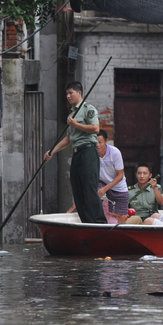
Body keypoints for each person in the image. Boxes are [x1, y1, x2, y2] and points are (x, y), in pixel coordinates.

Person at [44, 81, 106, 224]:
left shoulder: (88, 109)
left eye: (71, 93)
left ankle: (99, 222)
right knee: (77, 188)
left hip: (88, 152)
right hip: (77, 153)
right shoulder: (72, 114)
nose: (68, 96)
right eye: (67, 93)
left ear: (79, 93)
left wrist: (76, 124)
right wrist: (52, 151)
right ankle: (86, 222)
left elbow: (95, 129)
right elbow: (69, 138)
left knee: (89, 187)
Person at [96, 130, 129, 223]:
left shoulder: (115, 153)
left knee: (121, 217)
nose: (97, 145)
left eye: (100, 142)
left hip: (118, 187)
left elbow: (120, 175)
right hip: (101, 184)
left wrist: (105, 189)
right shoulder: (92, 153)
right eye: (95, 142)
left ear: (106, 141)